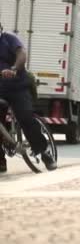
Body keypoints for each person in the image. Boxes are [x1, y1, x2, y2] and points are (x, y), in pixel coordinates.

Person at [0, 25, 56, 173]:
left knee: (25, 117)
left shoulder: (8, 39)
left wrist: (14, 69)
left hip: (17, 87)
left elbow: (21, 53)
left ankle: (44, 153)